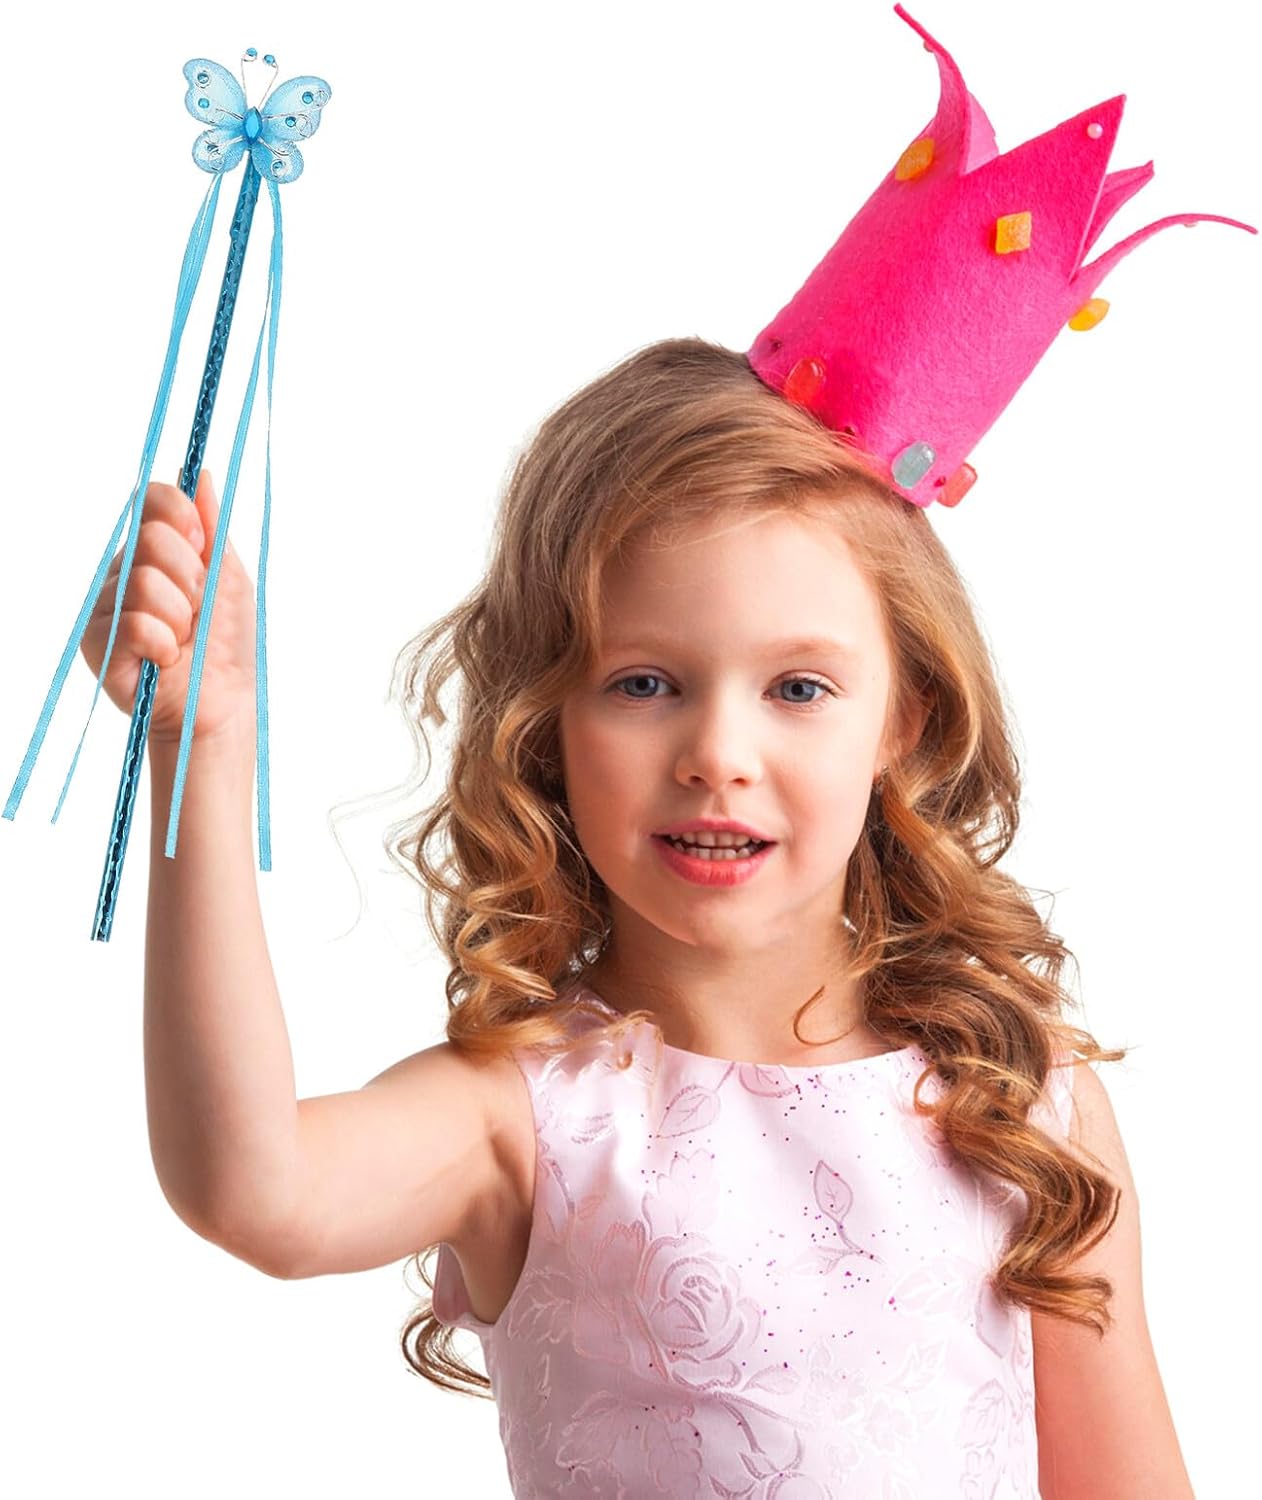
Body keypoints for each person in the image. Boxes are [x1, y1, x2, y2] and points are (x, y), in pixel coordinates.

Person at [70, 4, 1243, 1491]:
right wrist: (206, 749)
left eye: (798, 688)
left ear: (907, 718)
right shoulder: (528, 1117)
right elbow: (256, 1188)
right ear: (543, 721)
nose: (716, 752)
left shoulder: (1024, 1107)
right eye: (643, 683)